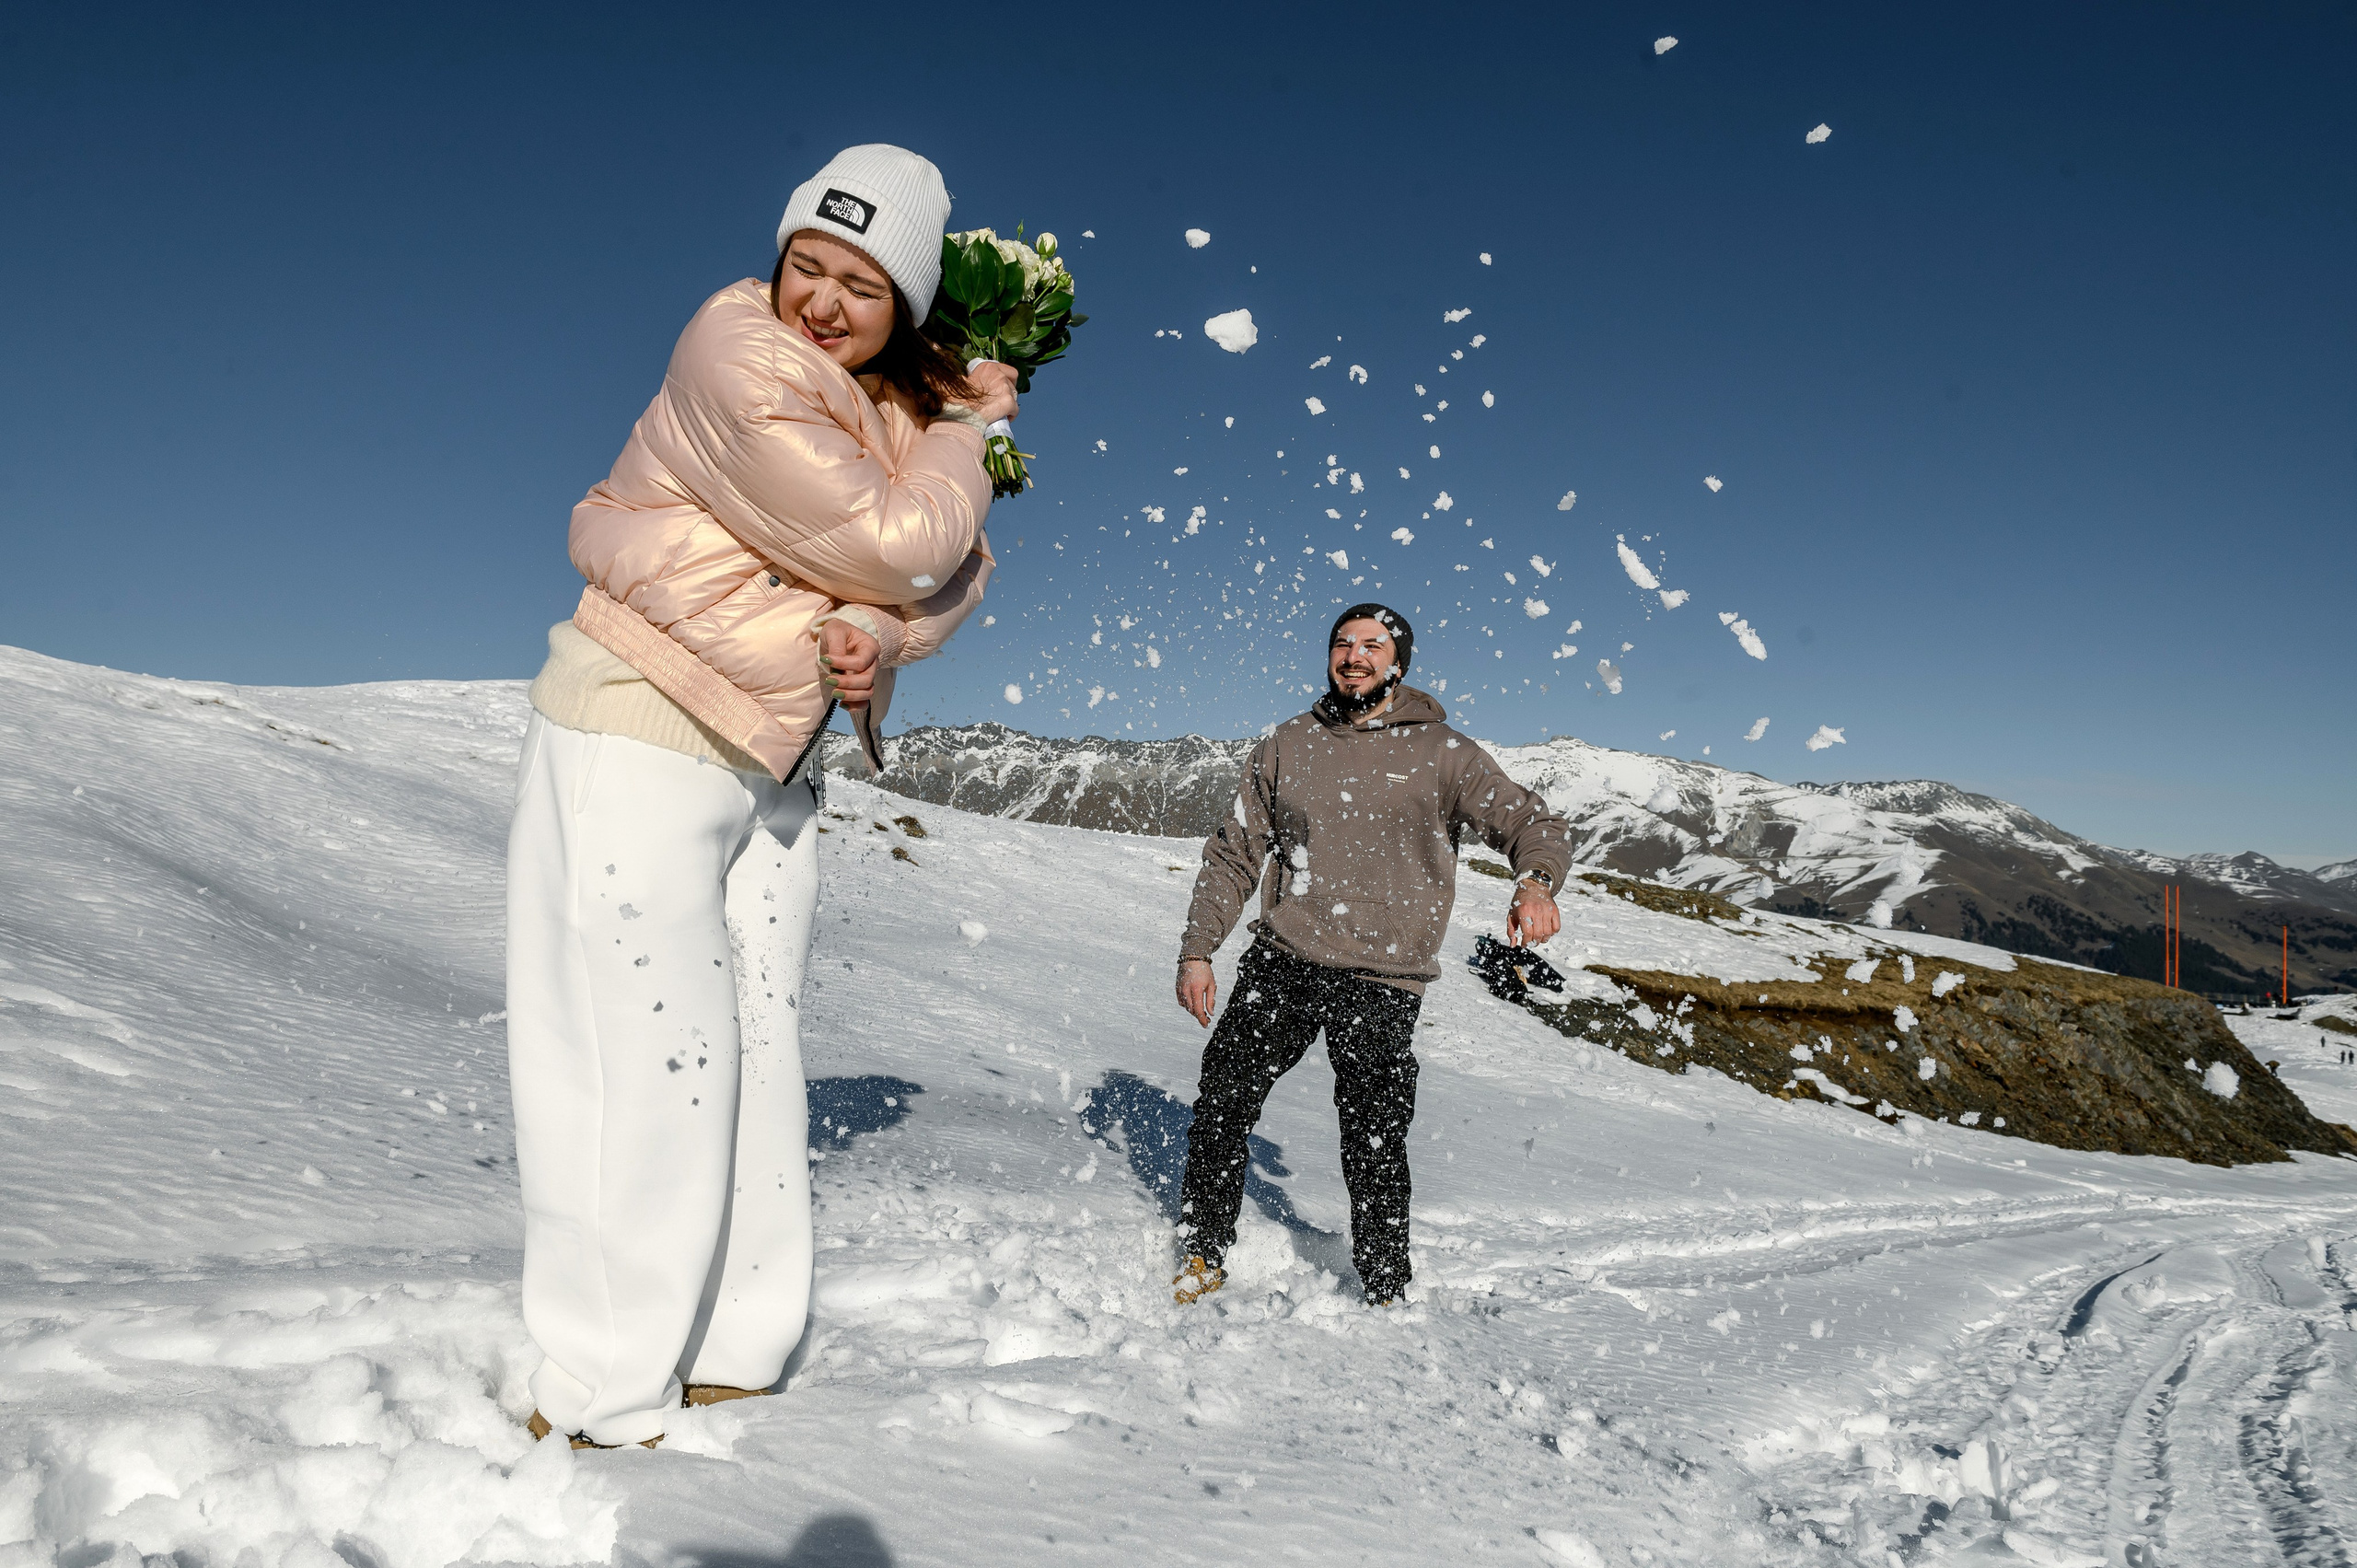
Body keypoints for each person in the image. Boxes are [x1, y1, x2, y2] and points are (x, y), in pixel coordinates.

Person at [505, 145, 1016, 1449]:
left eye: (862, 282)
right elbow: (908, 542)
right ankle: (626, 1370)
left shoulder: (890, 413)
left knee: (716, 1058)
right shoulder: (736, 353)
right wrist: (949, 462)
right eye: (810, 264)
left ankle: (686, 1358)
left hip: (765, 761)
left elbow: (949, 576)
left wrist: (878, 632)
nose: (824, 302)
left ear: (906, 303)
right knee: (655, 1059)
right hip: (651, 712)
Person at [1170, 605, 1573, 1307]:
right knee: (1223, 1103)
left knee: (1376, 1136)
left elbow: (1531, 823)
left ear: (1398, 664)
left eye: (1372, 645)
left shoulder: (1445, 752)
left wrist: (1534, 880)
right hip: (1285, 956)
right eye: (1342, 643)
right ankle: (1204, 1250)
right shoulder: (1285, 743)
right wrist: (1197, 949)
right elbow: (1235, 852)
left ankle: (1386, 1286)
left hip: (1386, 975)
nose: (1354, 656)